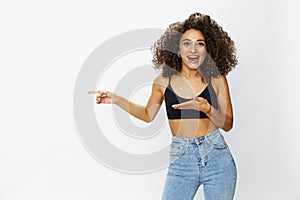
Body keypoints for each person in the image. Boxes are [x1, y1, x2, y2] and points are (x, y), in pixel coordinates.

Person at [89, 12, 238, 200]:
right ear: (178, 49)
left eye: (200, 43)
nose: (193, 49)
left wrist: (207, 108)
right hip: (182, 160)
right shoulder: (163, 81)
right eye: (187, 43)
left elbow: (228, 124)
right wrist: (116, 99)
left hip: (218, 158)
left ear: (208, 48)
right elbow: (147, 114)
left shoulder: (217, 79)